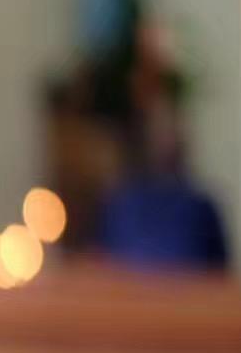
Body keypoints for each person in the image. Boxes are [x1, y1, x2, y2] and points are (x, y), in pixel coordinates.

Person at [98, 94, 228, 270]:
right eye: (159, 130)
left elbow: (221, 272)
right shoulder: (121, 203)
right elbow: (102, 263)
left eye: (171, 130)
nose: (166, 140)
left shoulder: (201, 207)